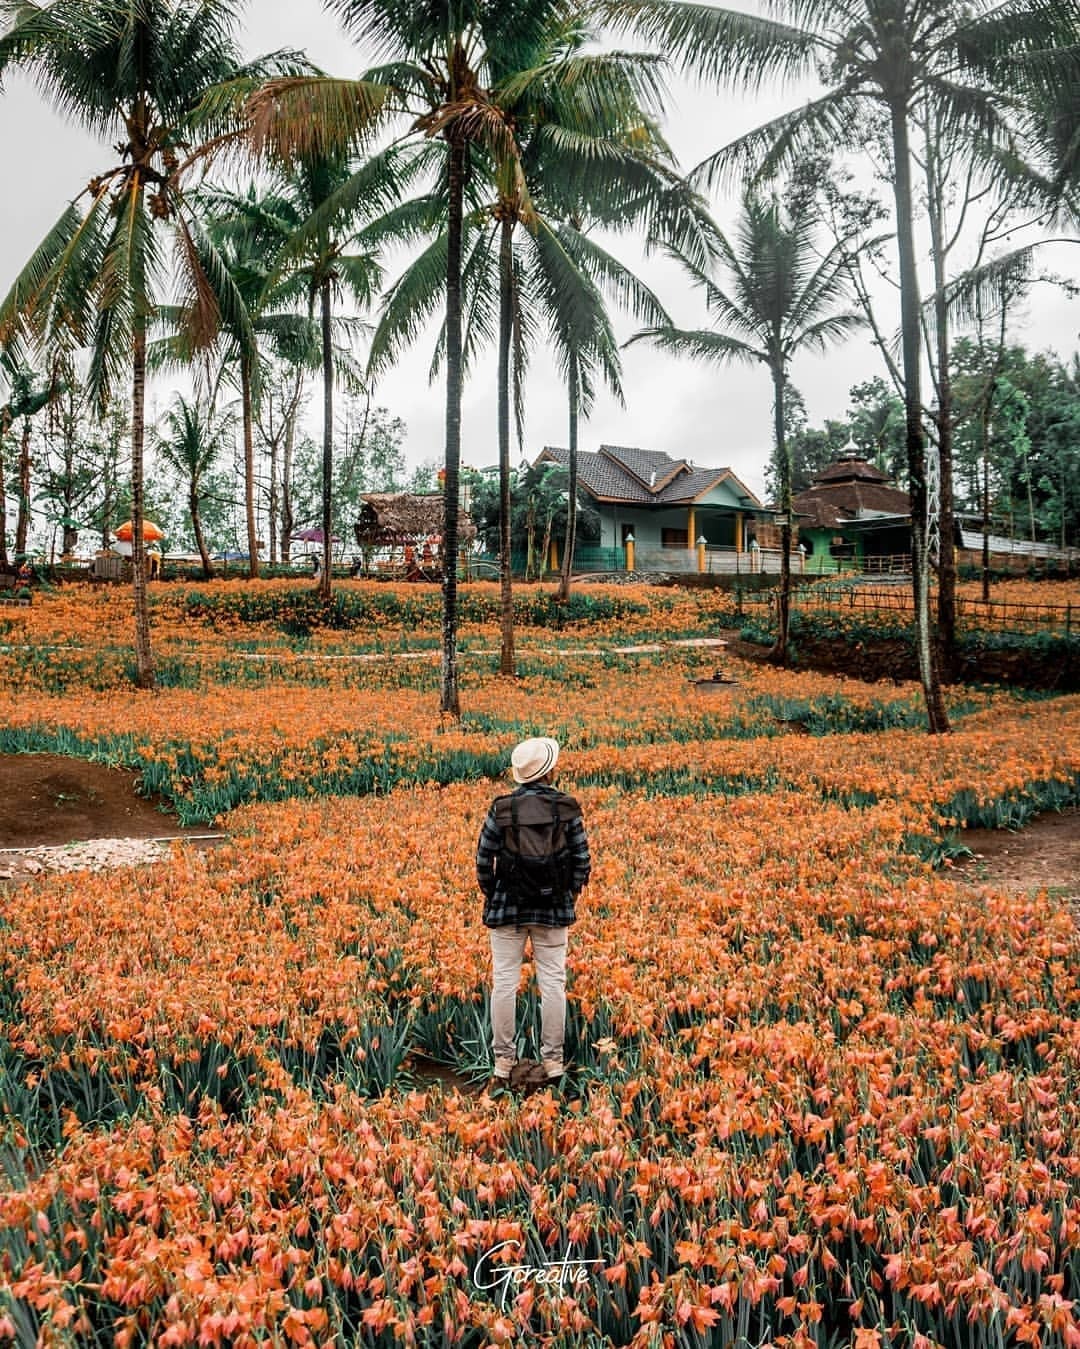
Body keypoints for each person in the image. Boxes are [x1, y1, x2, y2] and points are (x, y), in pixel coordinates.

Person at [475, 736, 591, 1093]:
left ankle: (503, 1063)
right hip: (553, 908)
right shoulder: (567, 808)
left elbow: (483, 860)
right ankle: (553, 1063)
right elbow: (582, 861)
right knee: (553, 983)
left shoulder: (502, 808)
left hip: (507, 907)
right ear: (549, 770)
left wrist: (494, 894)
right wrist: (567, 896)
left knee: (505, 983)